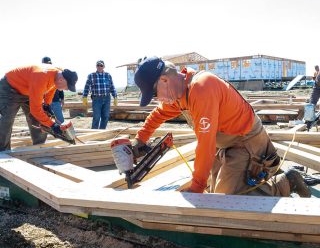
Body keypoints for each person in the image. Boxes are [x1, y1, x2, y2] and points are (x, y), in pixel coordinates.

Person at [132, 56, 311, 197]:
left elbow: (205, 145)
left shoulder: (202, 88)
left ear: (164, 80)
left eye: (155, 94)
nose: (157, 99)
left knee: (226, 199)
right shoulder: (178, 94)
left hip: (246, 142)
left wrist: (196, 187)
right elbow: (159, 114)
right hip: (225, 145)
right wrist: (140, 139)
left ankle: (287, 182)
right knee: (213, 192)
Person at [0, 65, 78, 151]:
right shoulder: (41, 77)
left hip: (29, 89)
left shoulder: (59, 74)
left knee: (39, 119)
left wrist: (47, 104)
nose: (66, 89)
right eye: (67, 87)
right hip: (9, 88)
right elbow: (35, 110)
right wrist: (52, 125)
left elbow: (52, 88)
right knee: (7, 119)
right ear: (61, 80)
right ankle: (3, 151)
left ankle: (39, 147)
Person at [82, 60, 118, 129]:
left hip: (107, 98)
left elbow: (112, 87)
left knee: (105, 116)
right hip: (96, 99)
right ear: (96, 66)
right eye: (98, 65)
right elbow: (87, 87)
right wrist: (84, 97)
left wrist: (115, 96)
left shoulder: (108, 75)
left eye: (101, 65)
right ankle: (94, 132)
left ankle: (102, 131)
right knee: (96, 117)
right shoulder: (91, 76)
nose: (99, 67)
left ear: (104, 66)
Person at [42, 57, 65, 123]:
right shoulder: (41, 74)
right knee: (46, 120)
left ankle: (61, 132)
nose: (48, 65)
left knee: (60, 120)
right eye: (46, 63)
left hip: (56, 101)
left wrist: (62, 98)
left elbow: (60, 87)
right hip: (45, 103)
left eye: (49, 63)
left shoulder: (55, 72)